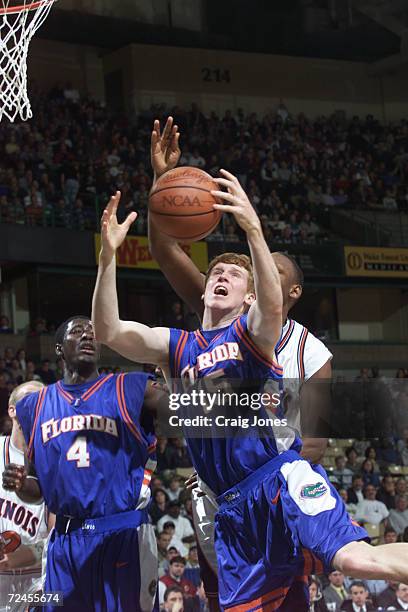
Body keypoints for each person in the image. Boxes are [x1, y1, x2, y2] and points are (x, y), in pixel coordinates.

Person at [93, 172, 408, 611]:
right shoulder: (178, 346)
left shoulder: (253, 335)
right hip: (231, 505)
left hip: (277, 480)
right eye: (215, 271)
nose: (222, 275)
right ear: (205, 287)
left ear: (251, 298)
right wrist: (108, 258)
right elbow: (108, 330)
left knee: (356, 558)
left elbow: (271, 311)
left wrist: (254, 228)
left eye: (234, 274)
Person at [149, 116, 333, 609]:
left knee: (285, 596)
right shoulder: (225, 321)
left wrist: (268, 486)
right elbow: (163, 249)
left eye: (267, 270)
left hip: (273, 484)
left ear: (285, 291)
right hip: (216, 488)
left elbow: (314, 438)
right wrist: (161, 186)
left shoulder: (310, 352)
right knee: (223, 599)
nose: (252, 268)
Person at [3, 316, 167, 612]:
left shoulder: (130, 387)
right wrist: (21, 485)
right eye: (77, 331)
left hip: (122, 533)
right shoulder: (34, 406)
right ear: (59, 348)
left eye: (93, 333)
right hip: (66, 540)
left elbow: (197, 410)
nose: (88, 336)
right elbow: (39, 490)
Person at [0, 381, 50, 610]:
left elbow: (64, 534)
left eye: (44, 400)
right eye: (31, 397)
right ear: (12, 410)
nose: (38, 404)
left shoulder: (58, 461)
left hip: (36, 583)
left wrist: (32, 552)